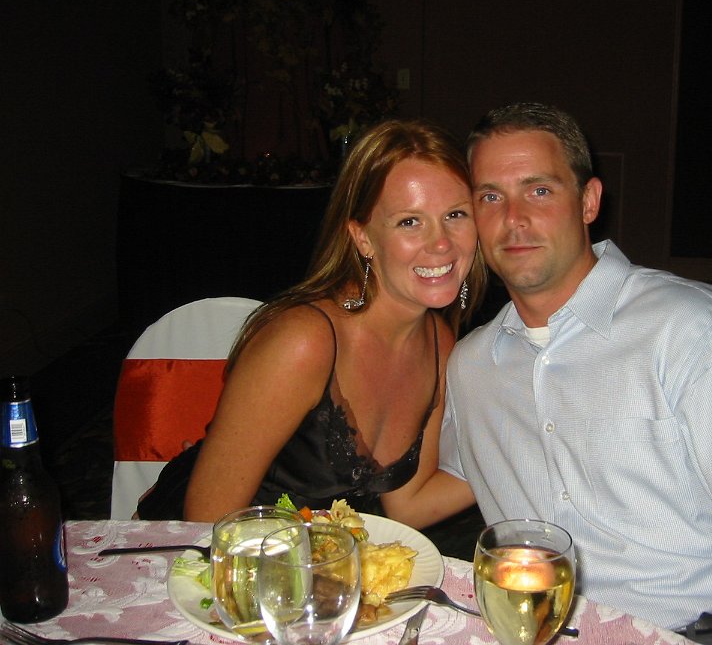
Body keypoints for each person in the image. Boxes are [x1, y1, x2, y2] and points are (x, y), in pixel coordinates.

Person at [434, 103, 712, 644]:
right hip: (532, 627)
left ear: (589, 201)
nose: (514, 218)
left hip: (690, 631)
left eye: (539, 190)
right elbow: (436, 483)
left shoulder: (691, 330)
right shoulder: (473, 367)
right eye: (490, 196)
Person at [136, 119, 486, 523]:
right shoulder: (305, 341)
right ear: (363, 237)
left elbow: (407, 506)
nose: (441, 243)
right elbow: (207, 519)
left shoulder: (439, 343)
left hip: (312, 553)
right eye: (410, 221)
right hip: (194, 546)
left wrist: (527, 451)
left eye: (456, 214)